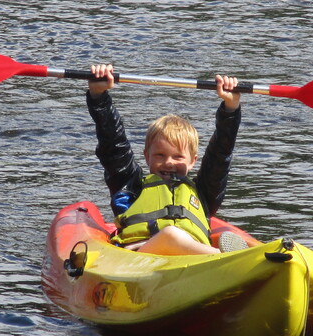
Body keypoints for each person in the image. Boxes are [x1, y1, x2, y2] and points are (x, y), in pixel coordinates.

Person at [87, 64, 246, 255]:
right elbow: (113, 144)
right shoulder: (130, 186)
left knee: (174, 235)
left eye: (178, 156)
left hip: (189, 260)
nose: (169, 162)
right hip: (140, 256)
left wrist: (231, 108)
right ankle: (225, 259)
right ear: (147, 157)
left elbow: (220, 155)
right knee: (171, 234)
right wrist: (99, 98)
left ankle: (224, 260)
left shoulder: (204, 193)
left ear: (192, 161)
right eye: (160, 155)